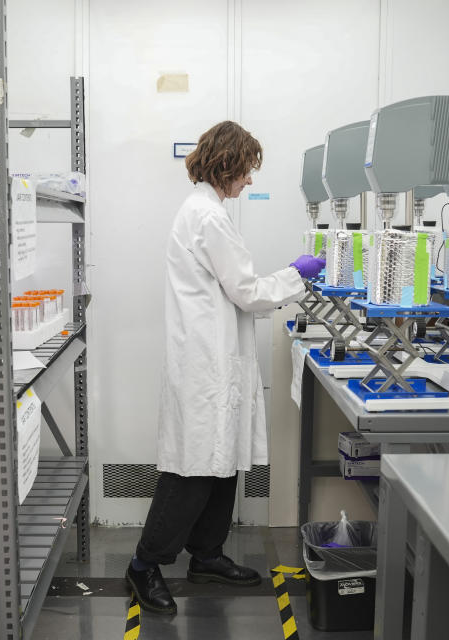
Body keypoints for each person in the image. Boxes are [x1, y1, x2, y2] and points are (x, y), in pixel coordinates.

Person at [125, 121, 326, 615]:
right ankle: (144, 565)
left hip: (217, 361)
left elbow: (235, 290)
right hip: (203, 365)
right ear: (228, 165)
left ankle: (207, 556)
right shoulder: (207, 216)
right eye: (247, 171)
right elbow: (248, 291)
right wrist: (295, 276)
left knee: (223, 462)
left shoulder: (207, 211)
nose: (250, 182)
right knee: (193, 469)